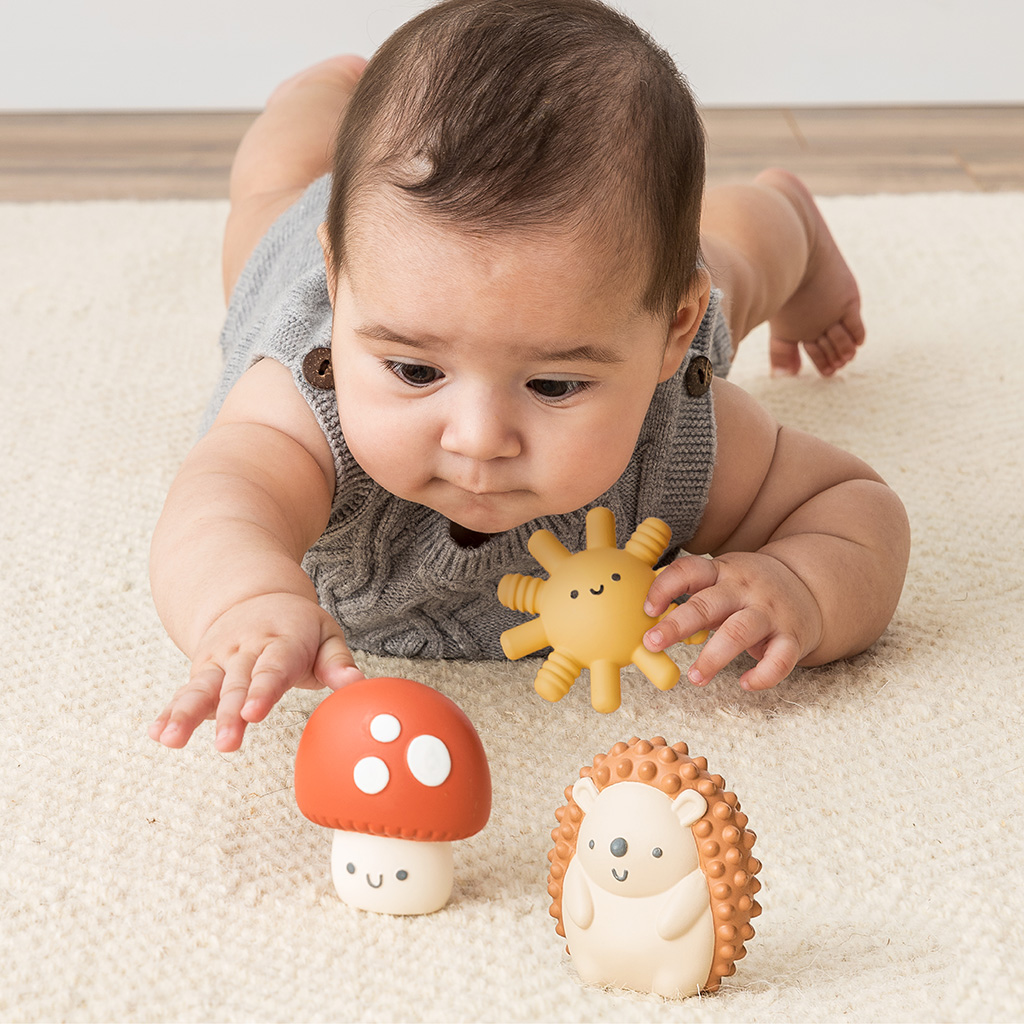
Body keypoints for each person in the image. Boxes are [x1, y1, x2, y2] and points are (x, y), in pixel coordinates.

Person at [149, 0, 910, 752]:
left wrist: (798, 585)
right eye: (415, 370)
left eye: (553, 385)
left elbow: (853, 506)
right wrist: (246, 601)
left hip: (617, 297)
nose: (479, 439)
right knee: (269, 194)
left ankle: (788, 213)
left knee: (736, 256)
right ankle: (319, 95)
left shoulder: (677, 436)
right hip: (346, 255)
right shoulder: (302, 404)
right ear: (341, 286)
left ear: (670, 334)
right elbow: (218, 503)